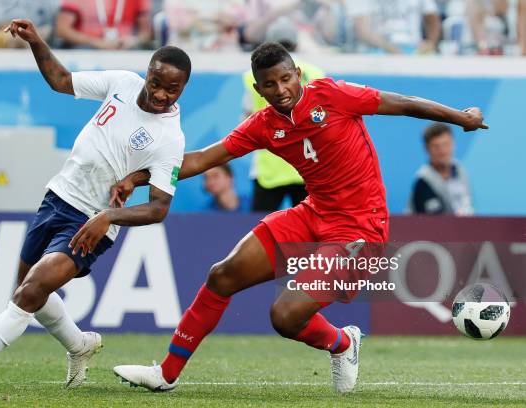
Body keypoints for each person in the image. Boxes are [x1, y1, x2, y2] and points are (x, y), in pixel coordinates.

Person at [111, 43, 487, 393]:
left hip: (360, 227)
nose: (281, 89)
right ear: (259, 90)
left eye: (286, 78)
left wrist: (461, 117)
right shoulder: (263, 124)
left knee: (285, 315)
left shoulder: (333, 95)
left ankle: (342, 342)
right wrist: (139, 177)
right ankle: (166, 374)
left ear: (299, 75)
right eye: (270, 84)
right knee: (221, 276)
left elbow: (403, 103)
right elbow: (202, 158)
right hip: (312, 213)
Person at [0, 19, 191, 390]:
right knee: (28, 289)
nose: (161, 94)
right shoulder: (123, 83)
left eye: (172, 89)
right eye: (157, 83)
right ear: (147, 74)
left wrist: (108, 217)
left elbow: (159, 208)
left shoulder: (169, 138)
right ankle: (79, 345)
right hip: (57, 198)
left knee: (30, 292)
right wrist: (36, 42)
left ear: (183, 88)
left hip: (90, 222)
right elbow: (61, 81)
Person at [243, 18, 323, 212]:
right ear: (296, 42)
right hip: (307, 167)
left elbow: (246, 118)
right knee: (310, 236)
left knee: (260, 234)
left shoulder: (255, 75)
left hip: (270, 168)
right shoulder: (316, 73)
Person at [408, 122, 474, 215]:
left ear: (454, 144)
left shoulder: (460, 171)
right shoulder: (422, 181)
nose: (443, 151)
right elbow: (434, 223)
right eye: (436, 146)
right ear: (427, 149)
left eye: (446, 144)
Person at [346, 0, 442, 54]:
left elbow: (431, 17)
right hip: (375, 51)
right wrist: (391, 49)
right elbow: (362, 31)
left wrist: (431, 43)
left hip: (414, 49)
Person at [56, 0, 153, 50]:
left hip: (125, 49)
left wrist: (133, 40)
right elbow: (62, 29)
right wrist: (94, 42)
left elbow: (146, 33)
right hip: (87, 49)